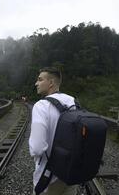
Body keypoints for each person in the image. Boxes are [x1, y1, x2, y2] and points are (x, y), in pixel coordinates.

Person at [29, 67, 77, 195]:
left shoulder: (41, 106)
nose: (36, 83)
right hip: (70, 174)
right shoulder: (73, 102)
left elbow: (37, 148)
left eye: (40, 79)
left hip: (49, 178)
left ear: (51, 83)